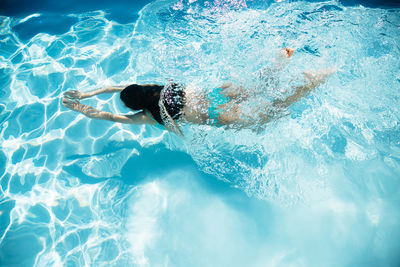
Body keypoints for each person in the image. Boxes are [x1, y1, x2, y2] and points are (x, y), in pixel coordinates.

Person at [62, 48, 333, 135]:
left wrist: (78, 108)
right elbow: (113, 86)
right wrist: (85, 94)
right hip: (217, 93)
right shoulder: (156, 88)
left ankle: (311, 83)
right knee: (257, 87)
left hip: (215, 113)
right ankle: (282, 59)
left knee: (270, 114)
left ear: (136, 107)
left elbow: (106, 117)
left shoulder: (149, 116)